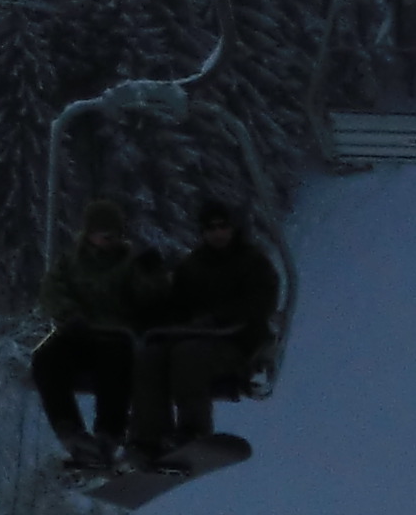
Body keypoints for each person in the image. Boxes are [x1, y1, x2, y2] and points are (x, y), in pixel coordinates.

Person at [133, 201, 279, 461]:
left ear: (233, 228)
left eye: (223, 226)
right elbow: (174, 307)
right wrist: (149, 285)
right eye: (210, 228)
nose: (217, 233)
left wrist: (218, 318)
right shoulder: (192, 266)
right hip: (199, 337)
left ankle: (194, 430)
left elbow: (261, 302)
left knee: (188, 355)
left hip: (238, 343)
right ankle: (151, 435)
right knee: (150, 356)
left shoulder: (252, 262)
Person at [31, 198, 164, 469]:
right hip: (80, 334)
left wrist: (153, 276)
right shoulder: (71, 263)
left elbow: (151, 299)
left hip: (117, 336)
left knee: (114, 364)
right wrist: (69, 313)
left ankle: (109, 433)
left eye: (113, 234)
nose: (108, 239)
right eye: (102, 234)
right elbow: (51, 291)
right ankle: (70, 430)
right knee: (47, 358)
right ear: (89, 233)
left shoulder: (129, 265)